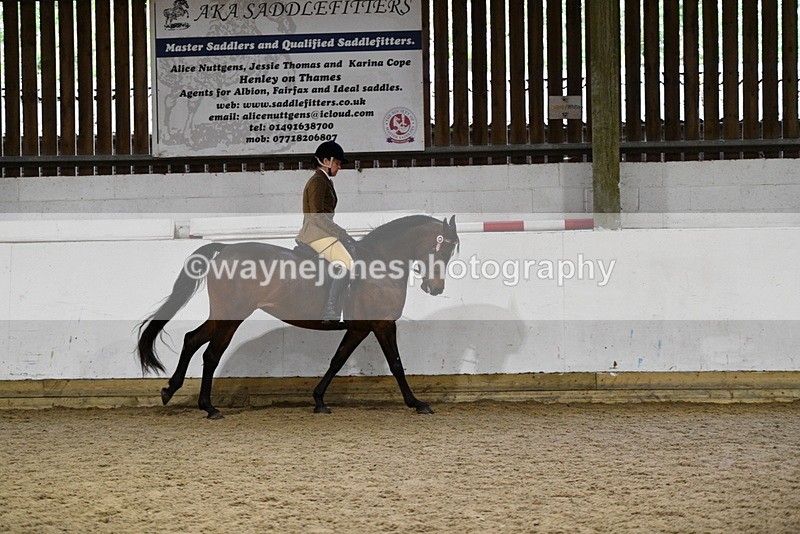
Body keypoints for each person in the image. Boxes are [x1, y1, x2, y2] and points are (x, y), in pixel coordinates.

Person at [296, 140, 358, 323]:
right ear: (326, 160)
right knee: (345, 263)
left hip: (322, 232)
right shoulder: (317, 181)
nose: (339, 167)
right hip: (315, 233)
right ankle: (330, 310)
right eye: (337, 163)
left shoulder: (324, 180)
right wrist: (341, 232)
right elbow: (316, 215)